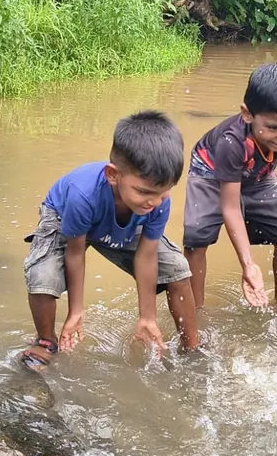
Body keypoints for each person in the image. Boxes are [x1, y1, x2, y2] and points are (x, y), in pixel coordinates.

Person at [21, 111, 200, 369]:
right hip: (65, 218)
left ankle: (192, 347)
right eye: (144, 191)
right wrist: (76, 311)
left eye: (163, 192)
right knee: (42, 277)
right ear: (113, 175)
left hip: (125, 221)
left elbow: (147, 255)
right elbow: (75, 251)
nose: (154, 201)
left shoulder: (156, 202)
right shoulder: (83, 194)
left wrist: (147, 317)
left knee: (177, 268)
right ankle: (46, 342)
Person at [183, 62, 277, 308]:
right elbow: (231, 206)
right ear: (247, 114)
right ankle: (195, 313)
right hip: (209, 171)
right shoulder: (231, 142)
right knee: (195, 238)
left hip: (257, 173)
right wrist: (248, 264)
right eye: (274, 128)